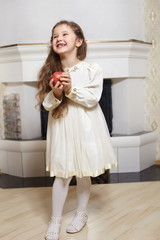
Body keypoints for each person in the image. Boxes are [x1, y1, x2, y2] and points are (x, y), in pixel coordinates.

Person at [36, 20, 117, 240]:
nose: (59, 38)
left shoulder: (92, 69)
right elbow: (46, 105)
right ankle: (55, 219)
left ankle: (81, 214)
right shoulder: (49, 72)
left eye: (64, 34)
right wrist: (58, 94)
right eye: (54, 36)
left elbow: (92, 99)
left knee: (83, 172)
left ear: (78, 41)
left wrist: (71, 89)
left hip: (86, 128)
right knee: (62, 174)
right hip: (62, 128)